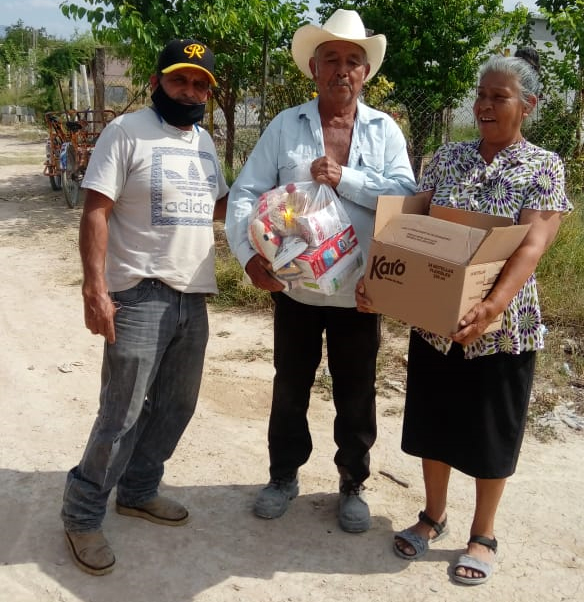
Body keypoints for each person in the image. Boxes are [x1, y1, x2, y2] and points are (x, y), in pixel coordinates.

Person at [357, 52, 572, 584]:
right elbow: (410, 223)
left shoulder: (543, 165)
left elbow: (533, 244)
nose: (484, 105)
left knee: (490, 430)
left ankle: (483, 532)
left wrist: (491, 305)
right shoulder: (448, 157)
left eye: (498, 96)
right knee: (435, 422)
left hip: (503, 326)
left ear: (528, 105)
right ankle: (432, 515)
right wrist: (377, 277)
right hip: (436, 319)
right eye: (481, 94)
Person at [225, 9, 416, 533]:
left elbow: (405, 199)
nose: (342, 70)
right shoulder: (287, 126)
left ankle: (352, 483)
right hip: (296, 293)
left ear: (365, 73)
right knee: (290, 386)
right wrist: (247, 255)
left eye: (353, 61)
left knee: (357, 391)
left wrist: (345, 178)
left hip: (361, 293)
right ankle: (283, 475)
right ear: (313, 68)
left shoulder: (384, 131)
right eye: (331, 59)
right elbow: (245, 192)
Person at [61, 38, 229, 576]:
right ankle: (82, 513)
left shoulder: (204, 142)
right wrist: (95, 289)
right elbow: (96, 211)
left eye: (201, 83)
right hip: (138, 295)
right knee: (123, 413)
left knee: (176, 407)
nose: (191, 90)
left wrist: (277, 209)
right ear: (159, 81)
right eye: (181, 79)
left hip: (194, 293)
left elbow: (220, 206)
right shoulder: (126, 131)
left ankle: (137, 489)